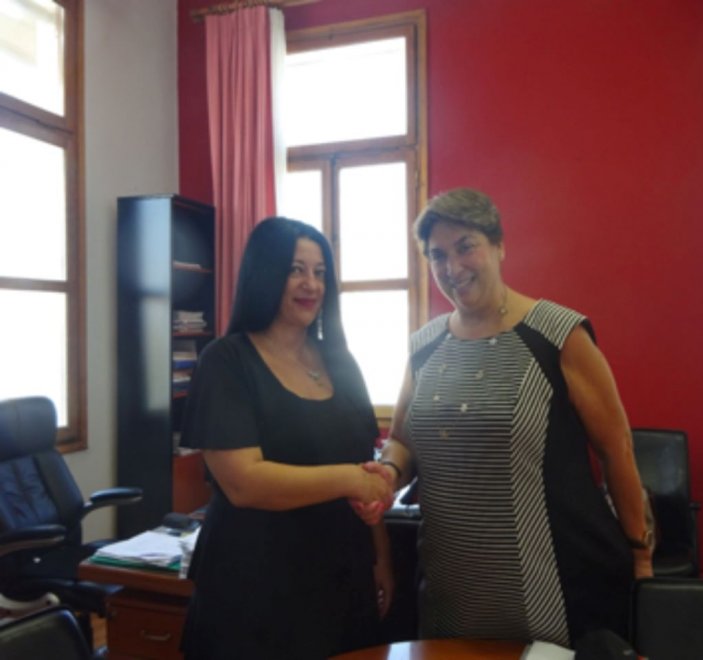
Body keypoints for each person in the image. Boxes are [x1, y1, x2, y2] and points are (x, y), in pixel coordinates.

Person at [360, 188, 653, 648]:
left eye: (466, 247)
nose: (452, 267)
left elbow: (617, 450)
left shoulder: (557, 335)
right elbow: (403, 440)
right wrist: (389, 472)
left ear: (499, 245)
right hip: (450, 581)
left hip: (553, 580)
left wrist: (640, 555)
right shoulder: (424, 347)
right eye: (438, 255)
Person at [179, 217, 394, 659]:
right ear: (265, 272)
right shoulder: (226, 361)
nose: (310, 284)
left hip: (341, 576)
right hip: (254, 587)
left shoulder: (341, 361)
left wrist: (382, 559)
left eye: (320, 272)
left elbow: (366, 469)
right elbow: (244, 483)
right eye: (296, 269)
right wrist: (350, 479)